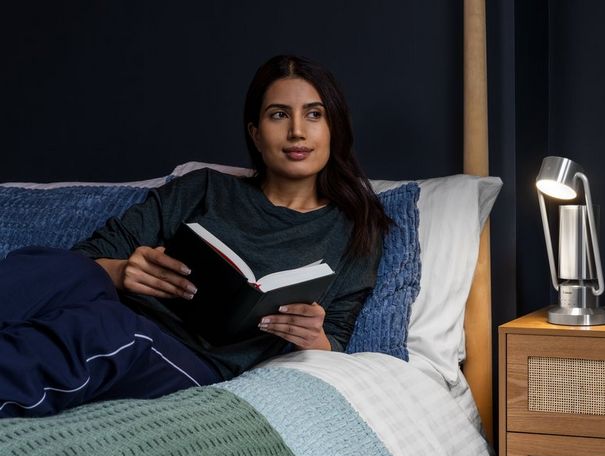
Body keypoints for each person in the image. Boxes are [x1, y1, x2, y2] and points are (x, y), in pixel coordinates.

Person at [0, 55, 390, 418]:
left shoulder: (355, 229)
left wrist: (313, 337)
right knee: (59, 267)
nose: (296, 131)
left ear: (333, 127)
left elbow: (337, 341)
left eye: (314, 114)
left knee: (103, 327)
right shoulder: (203, 188)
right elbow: (92, 253)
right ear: (255, 133)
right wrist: (120, 271)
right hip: (126, 313)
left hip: (195, 362)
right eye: (278, 115)